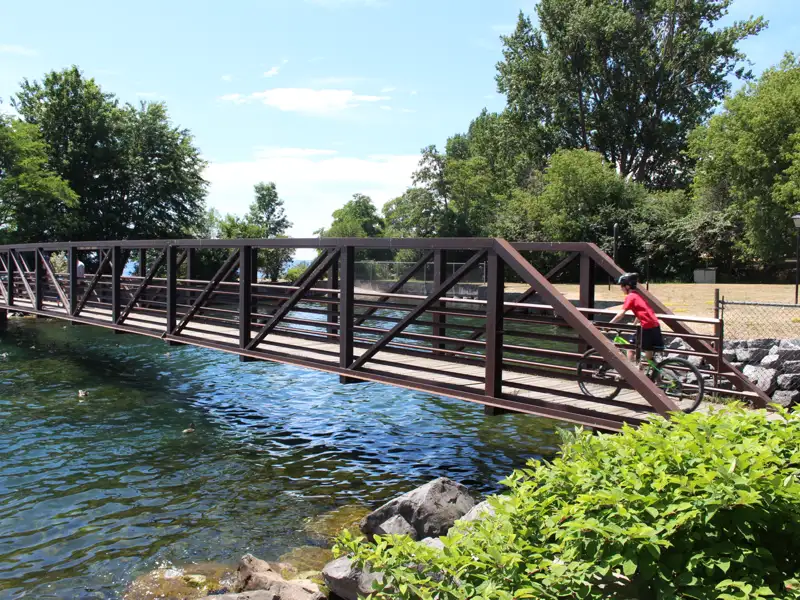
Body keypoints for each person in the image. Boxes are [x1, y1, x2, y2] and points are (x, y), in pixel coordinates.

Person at [608, 273, 664, 366]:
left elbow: (621, 314)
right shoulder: (637, 295)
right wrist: (634, 324)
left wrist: (609, 325)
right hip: (654, 326)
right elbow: (642, 313)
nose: (620, 288)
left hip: (646, 328)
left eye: (621, 286)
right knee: (649, 357)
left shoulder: (630, 297)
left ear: (627, 286)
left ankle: (630, 373)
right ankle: (656, 378)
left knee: (630, 349)